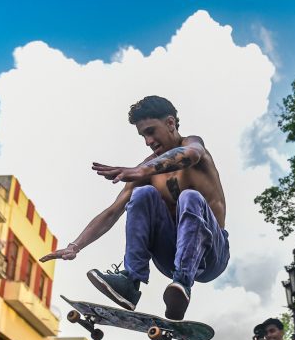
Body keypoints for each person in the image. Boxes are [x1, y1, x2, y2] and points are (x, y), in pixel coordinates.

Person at [41, 96, 229, 320]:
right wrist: (75, 246)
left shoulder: (192, 145)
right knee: (141, 194)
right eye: (143, 136)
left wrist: (143, 171)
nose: (148, 141)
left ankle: (182, 286)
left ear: (170, 123)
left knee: (189, 197)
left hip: (211, 256)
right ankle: (131, 282)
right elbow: (113, 211)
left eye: (151, 132)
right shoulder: (145, 171)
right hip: (171, 257)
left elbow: (192, 154)